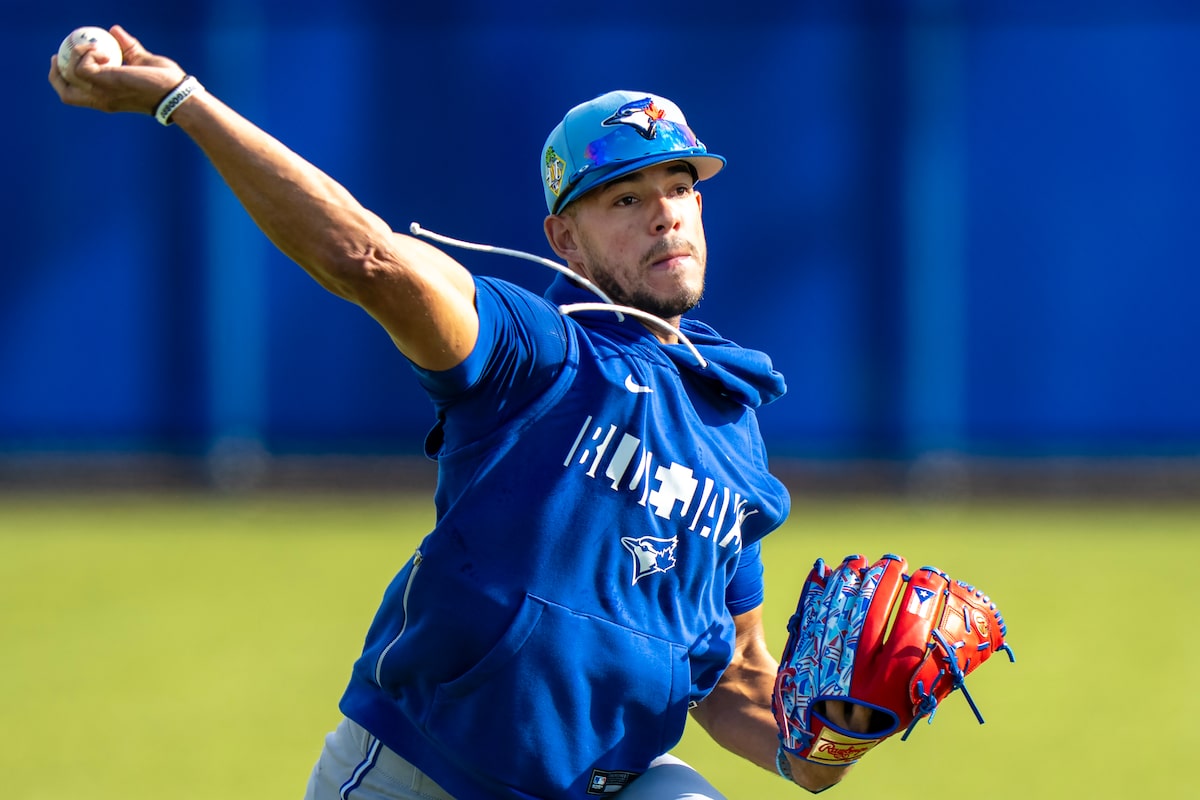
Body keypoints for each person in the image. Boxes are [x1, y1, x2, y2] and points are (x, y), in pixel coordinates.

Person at [50, 26, 872, 800]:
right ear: (566, 240)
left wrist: (834, 733)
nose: (664, 212)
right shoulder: (537, 349)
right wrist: (183, 100)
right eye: (623, 199)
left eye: (679, 186)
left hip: (612, 780)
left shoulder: (732, 422)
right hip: (422, 774)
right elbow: (369, 260)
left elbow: (734, 676)